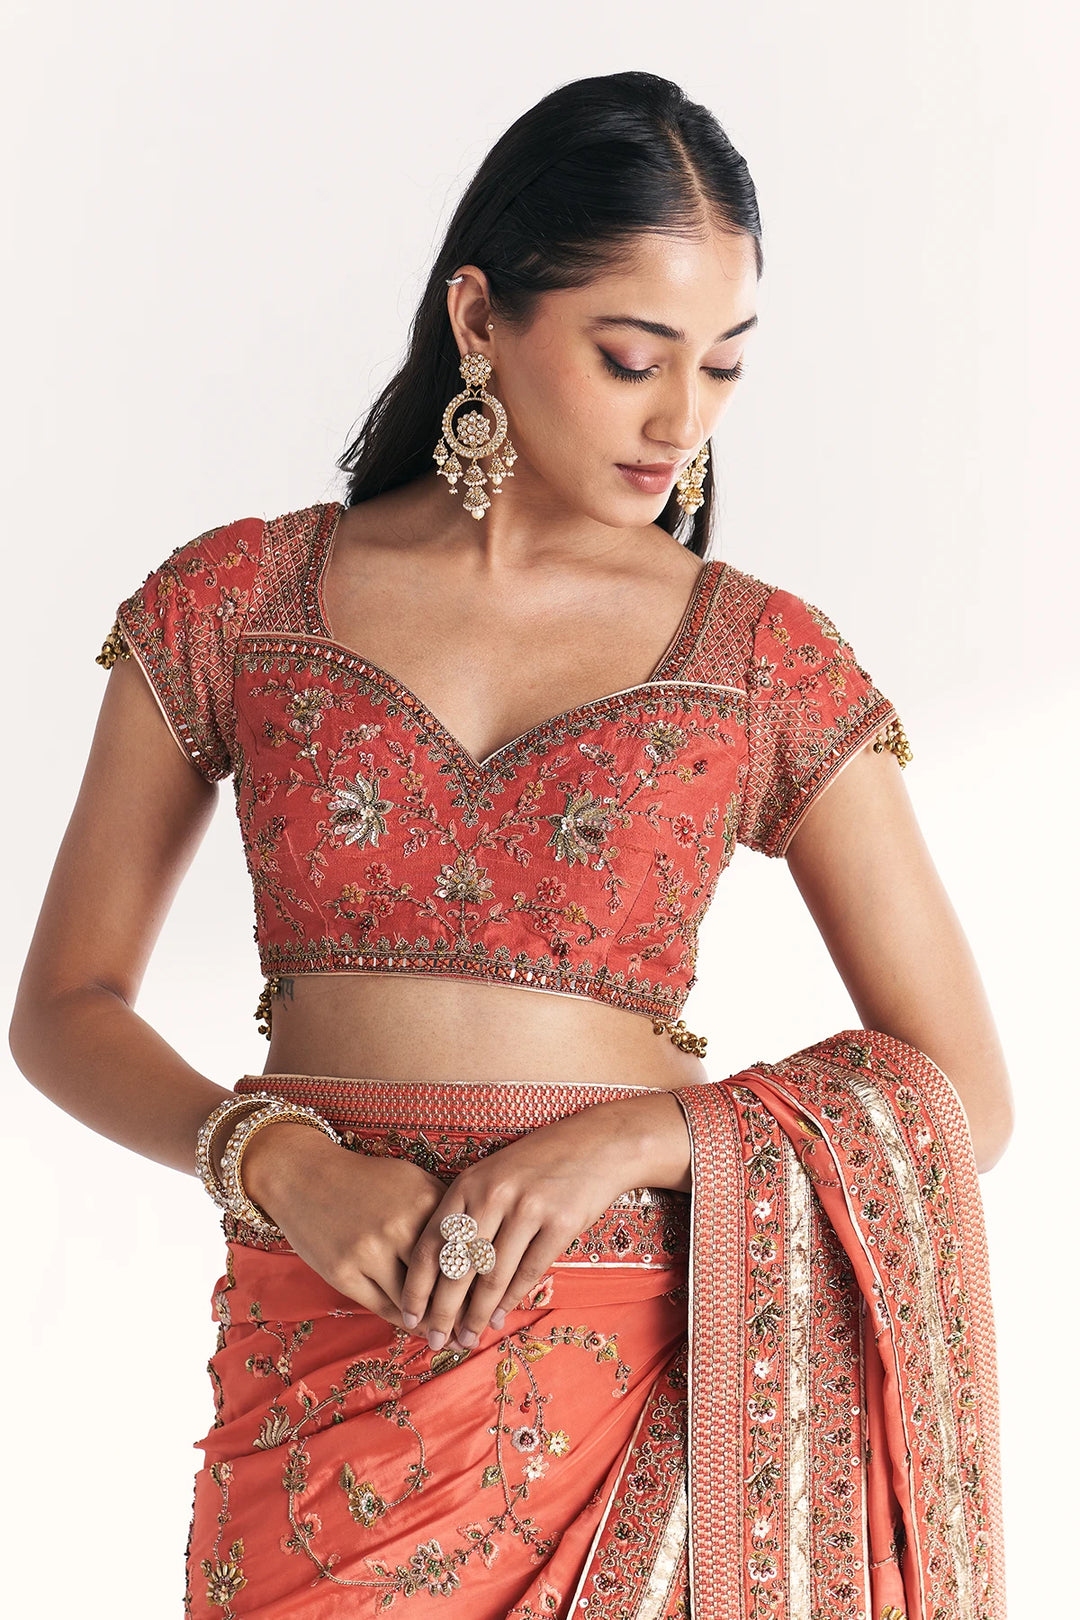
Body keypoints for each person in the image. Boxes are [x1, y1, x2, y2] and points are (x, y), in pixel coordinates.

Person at [9, 70, 1012, 1620]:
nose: (680, 422)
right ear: (481, 319)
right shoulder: (237, 605)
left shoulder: (758, 658)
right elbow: (63, 1007)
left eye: (724, 369)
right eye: (632, 358)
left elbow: (960, 1093)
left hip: (637, 1410)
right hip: (317, 1382)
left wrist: (639, 1135)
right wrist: (273, 1159)